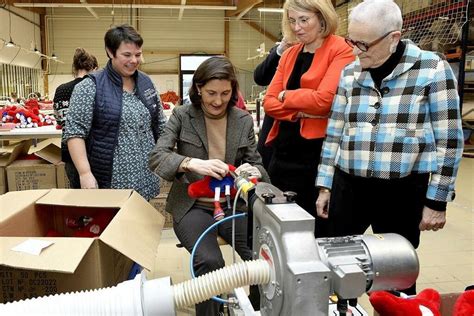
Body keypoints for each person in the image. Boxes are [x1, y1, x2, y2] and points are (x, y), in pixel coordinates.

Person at [315, 0, 464, 294]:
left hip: (402, 191)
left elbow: (449, 141)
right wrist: (325, 185)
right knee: (336, 268)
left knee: (396, 276)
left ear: (394, 37)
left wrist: (436, 201)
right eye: (351, 41)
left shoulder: (432, 69)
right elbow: (334, 133)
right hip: (349, 186)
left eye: (364, 44)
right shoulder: (349, 73)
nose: (356, 51)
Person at [149, 56, 269, 315]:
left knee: (265, 256)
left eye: (225, 93)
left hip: (231, 205)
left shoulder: (242, 120)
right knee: (210, 261)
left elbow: (259, 167)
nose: (218, 101)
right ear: (198, 88)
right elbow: (158, 157)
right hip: (192, 207)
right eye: (211, 93)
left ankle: (257, 309)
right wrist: (190, 163)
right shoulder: (182, 115)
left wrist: (252, 172)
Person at [262, 0, 354, 237]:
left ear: (322, 19)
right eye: (292, 21)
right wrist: (301, 110)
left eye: (304, 20)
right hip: (282, 156)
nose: (297, 27)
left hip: (317, 159)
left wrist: (286, 96)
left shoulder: (341, 49)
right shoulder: (290, 53)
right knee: (281, 231)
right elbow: (269, 103)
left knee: (316, 232)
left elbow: (324, 101)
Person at [63, 24, 166, 201]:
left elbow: (161, 123)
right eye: (127, 55)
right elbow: (74, 133)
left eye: (138, 54)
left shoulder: (146, 82)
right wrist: (85, 173)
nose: (134, 60)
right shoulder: (90, 87)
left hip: (145, 174)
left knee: (140, 222)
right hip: (112, 178)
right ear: (110, 52)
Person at [54, 47, 98, 188]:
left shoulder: (61, 90)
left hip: (69, 153)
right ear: (94, 68)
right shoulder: (92, 88)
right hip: (91, 153)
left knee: (78, 199)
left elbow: (59, 120)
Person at [254, 37, 296, 170]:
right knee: (265, 168)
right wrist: (280, 50)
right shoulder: (282, 51)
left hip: (301, 129)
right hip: (274, 123)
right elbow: (260, 77)